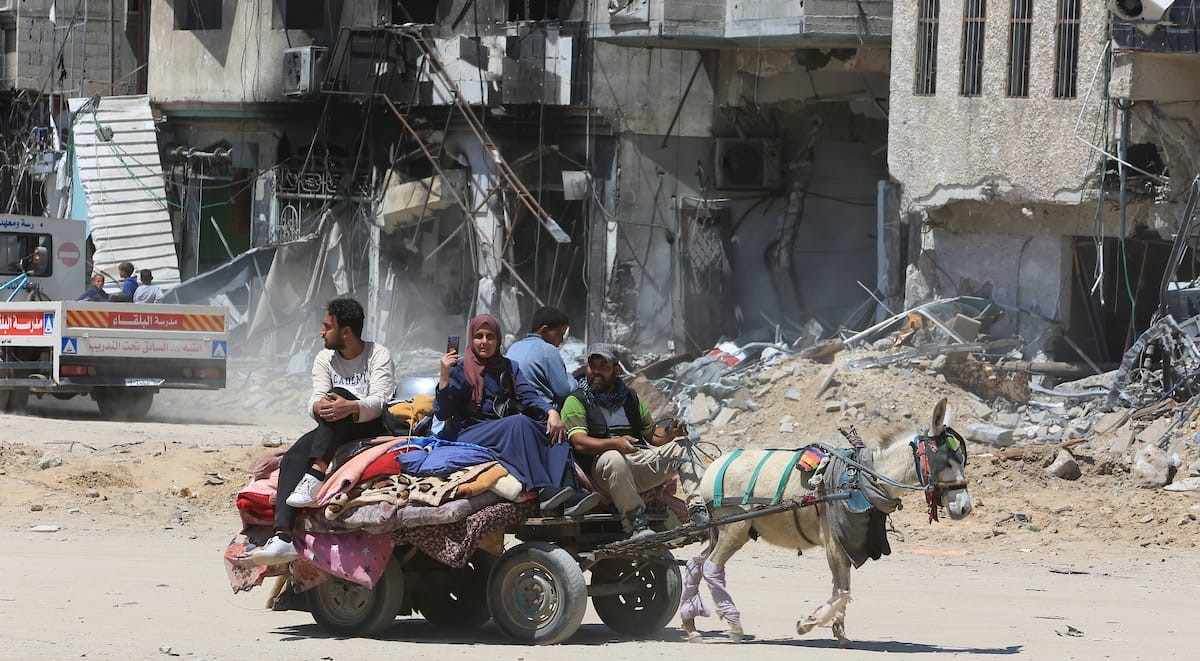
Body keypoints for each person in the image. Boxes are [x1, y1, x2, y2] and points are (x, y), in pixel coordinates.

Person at [252, 298, 395, 565]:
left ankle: (316, 473)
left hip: (369, 424)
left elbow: (379, 402)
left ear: (346, 332)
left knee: (338, 395)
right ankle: (282, 537)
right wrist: (320, 405)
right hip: (332, 425)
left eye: (327, 327)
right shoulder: (324, 359)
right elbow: (315, 400)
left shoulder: (378, 354)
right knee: (295, 455)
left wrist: (349, 405)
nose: (321, 332)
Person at [433, 313, 599, 516]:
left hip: (501, 427)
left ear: (498, 340)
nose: (484, 342)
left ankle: (569, 495)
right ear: (471, 339)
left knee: (554, 430)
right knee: (519, 423)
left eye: (490, 337)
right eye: (479, 336)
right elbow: (442, 413)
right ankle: (543, 489)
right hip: (469, 431)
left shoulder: (509, 366)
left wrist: (551, 413)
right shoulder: (459, 369)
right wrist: (444, 376)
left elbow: (529, 395)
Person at [563, 343, 709, 539]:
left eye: (603, 366)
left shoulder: (630, 398)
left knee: (682, 447)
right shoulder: (577, 401)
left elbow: (652, 436)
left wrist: (670, 432)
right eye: (592, 366)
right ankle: (635, 522)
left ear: (616, 369)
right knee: (614, 457)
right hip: (604, 472)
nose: (596, 372)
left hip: (637, 462)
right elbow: (579, 442)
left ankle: (699, 512)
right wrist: (616, 444)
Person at [505, 306, 575, 407]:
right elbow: (564, 393)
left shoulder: (514, 347)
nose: (562, 340)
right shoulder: (548, 350)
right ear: (544, 330)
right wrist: (571, 378)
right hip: (542, 414)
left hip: (515, 408)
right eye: (559, 334)